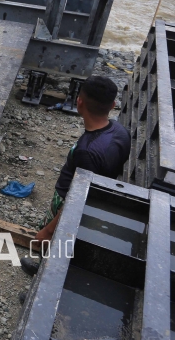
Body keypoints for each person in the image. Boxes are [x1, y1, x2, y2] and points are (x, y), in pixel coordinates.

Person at [19, 76, 130, 276]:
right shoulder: (121, 131)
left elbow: (77, 200)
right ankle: (44, 270)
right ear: (113, 105)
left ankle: (41, 284)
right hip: (100, 198)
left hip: (69, 203)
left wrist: (49, 230)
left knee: (56, 245)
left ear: (79, 102)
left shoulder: (86, 151)